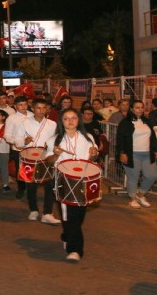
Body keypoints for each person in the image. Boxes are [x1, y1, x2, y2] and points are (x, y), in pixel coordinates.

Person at [44, 108, 100, 262]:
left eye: (73, 118)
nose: (70, 121)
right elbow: (48, 161)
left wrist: (94, 154)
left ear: (78, 120)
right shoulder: (54, 139)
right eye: (66, 118)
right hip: (63, 181)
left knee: (79, 214)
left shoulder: (87, 137)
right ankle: (75, 250)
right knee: (70, 216)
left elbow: (93, 158)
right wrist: (55, 154)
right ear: (61, 121)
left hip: (84, 180)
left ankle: (67, 235)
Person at [15, 98, 61, 224]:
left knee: (49, 185)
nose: (41, 111)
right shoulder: (24, 123)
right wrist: (23, 142)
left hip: (47, 158)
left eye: (44, 108)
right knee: (31, 185)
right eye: (38, 108)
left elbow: (56, 141)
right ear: (33, 109)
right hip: (30, 158)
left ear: (47, 109)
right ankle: (33, 210)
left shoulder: (52, 124)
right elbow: (17, 141)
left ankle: (47, 213)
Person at [116, 100, 157, 209]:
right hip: (132, 154)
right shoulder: (125, 123)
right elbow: (120, 139)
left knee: (152, 175)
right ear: (131, 109)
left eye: (142, 107)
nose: (140, 109)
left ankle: (140, 195)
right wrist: (122, 153)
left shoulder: (147, 121)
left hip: (147, 154)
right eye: (137, 107)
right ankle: (132, 199)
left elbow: (153, 137)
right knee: (133, 177)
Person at [4, 96, 33, 200]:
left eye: (25, 104)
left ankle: (31, 190)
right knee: (20, 171)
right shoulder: (11, 118)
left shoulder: (33, 115)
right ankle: (21, 189)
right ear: (15, 106)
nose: (23, 106)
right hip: (18, 149)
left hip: (33, 149)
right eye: (20, 105)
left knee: (32, 170)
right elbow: (7, 136)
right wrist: (19, 142)